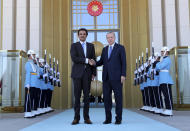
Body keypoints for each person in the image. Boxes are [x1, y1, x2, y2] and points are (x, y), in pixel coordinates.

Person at [93, 32, 126, 124]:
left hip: (117, 78)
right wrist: (94, 63)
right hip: (106, 78)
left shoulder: (120, 48)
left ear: (114, 37)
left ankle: (118, 118)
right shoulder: (104, 49)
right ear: (106, 39)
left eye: (111, 37)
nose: (109, 39)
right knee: (106, 99)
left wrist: (123, 75)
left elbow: (124, 62)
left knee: (118, 98)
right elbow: (101, 62)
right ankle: (108, 118)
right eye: (108, 38)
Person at [70, 28, 96, 125]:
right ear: (78, 35)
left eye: (84, 34)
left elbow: (93, 59)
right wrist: (86, 60)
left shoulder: (91, 46)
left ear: (86, 35)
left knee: (86, 97)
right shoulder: (74, 46)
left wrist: (94, 73)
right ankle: (76, 118)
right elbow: (74, 58)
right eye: (80, 34)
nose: (82, 35)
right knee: (77, 97)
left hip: (87, 74)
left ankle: (86, 118)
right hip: (77, 74)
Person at [156, 46, 174, 116]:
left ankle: (169, 109)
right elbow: (158, 68)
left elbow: (159, 67)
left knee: (167, 95)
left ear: (166, 51)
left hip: (166, 79)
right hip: (162, 79)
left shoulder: (167, 59)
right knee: (165, 95)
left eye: (163, 51)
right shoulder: (163, 60)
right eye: (161, 51)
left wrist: (157, 63)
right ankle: (167, 109)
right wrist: (159, 64)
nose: (161, 53)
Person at [24, 50, 38, 118]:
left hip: (34, 83)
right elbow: (28, 74)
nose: (34, 56)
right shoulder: (28, 64)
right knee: (28, 98)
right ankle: (27, 112)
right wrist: (27, 83)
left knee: (32, 98)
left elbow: (36, 73)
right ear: (30, 55)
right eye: (33, 54)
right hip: (30, 83)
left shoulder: (33, 64)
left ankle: (31, 110)